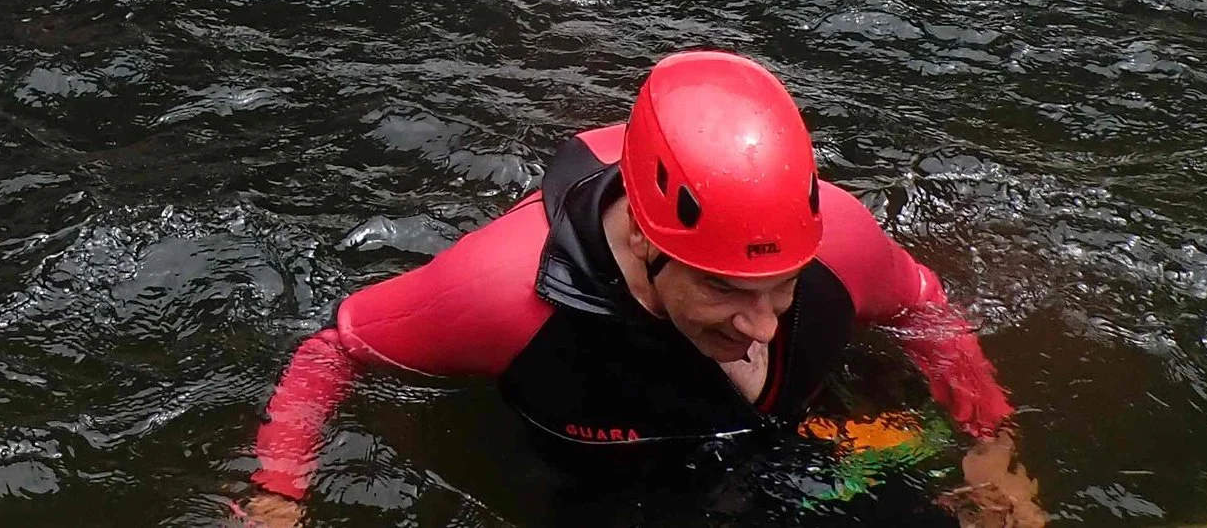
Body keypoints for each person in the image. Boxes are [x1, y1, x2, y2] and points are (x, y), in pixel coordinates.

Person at [242, 52, 1049, 527]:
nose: (763, 326)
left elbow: (919, 302)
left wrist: (991, 441)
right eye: (729, 290)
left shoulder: (837, 239)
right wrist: (278, 494)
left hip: (788, 439)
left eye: (783, 288)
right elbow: (336, 347)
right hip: (600, 471)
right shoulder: (498, 294)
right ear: (646, 242)